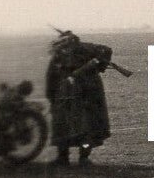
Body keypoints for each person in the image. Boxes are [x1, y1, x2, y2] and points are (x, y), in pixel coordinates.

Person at [45, 32, 115, 166]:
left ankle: (80, 158)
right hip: (69, 94)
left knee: (83, 128)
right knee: (66, 126)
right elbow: (51, 77)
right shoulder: (65, 53)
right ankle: (66, 157)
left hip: (84, 95)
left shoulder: (85, 49)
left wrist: (96, 65)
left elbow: (105, 52)